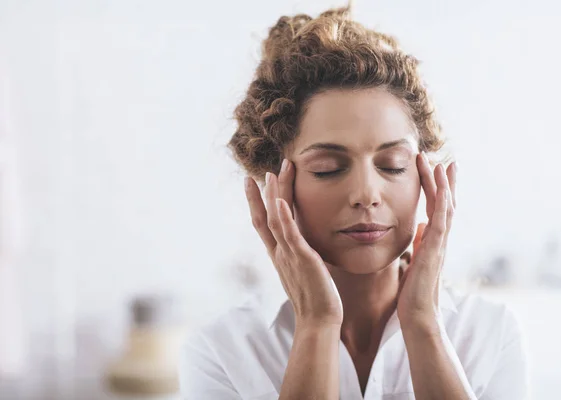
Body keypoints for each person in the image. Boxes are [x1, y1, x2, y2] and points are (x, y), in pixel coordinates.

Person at [179, 4, 529, 399]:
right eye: (328, 168)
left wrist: (423, 325)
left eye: (393, 165)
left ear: (425, 176)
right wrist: (316, 325)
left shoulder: (489, 335)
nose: (366, 194)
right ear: (274, 185)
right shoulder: (223, 353)